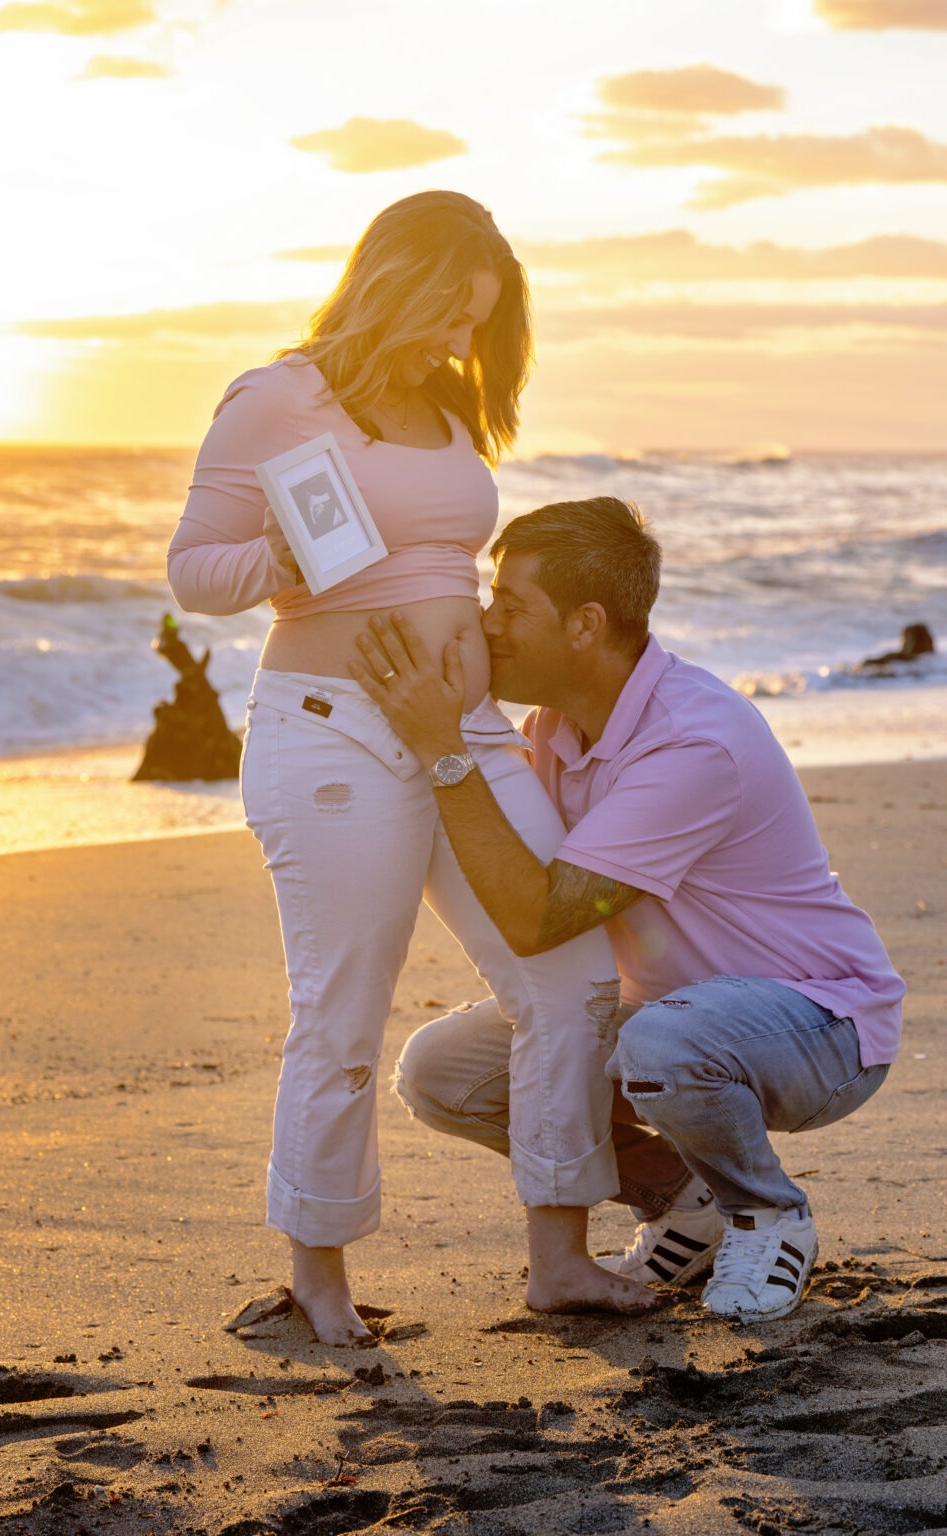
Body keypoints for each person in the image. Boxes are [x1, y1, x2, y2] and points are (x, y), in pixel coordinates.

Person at [167, 194, 652, 1346]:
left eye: (478, 325)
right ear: (394, 277)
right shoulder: (278, 397)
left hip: (467, 730)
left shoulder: (443, 407)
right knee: (344, 1006)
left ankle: (558, 1259)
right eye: (451, 312)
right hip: (332, 727)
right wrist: (284, 551)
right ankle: (316, 1277)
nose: (461, 343)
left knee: (568, 975)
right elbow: (195, 570)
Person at [350, 495, 905, 1324]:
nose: (486, 620)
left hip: (822, 1027)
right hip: (672, 1021)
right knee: (443, 1072)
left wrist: (443, 746)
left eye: (511, 604)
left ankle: (766, 1211)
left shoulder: (691, 743)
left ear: (586, 624)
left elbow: (539, 918)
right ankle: (684, 1199)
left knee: (662, 1044)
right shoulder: (550, 729)